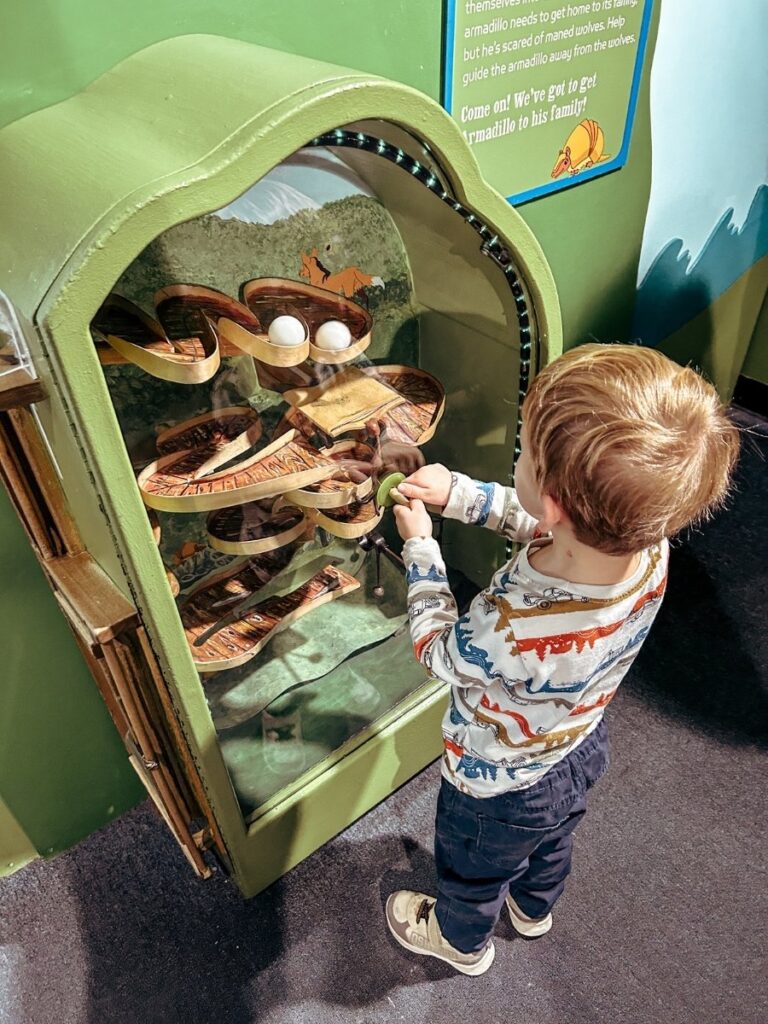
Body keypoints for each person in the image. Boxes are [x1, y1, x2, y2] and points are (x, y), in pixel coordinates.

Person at [384, 343, 739, 976]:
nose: (517, 455)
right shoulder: (647, 547)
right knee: (552, 842)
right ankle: (534, 909)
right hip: (577, 746)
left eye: (522, 450)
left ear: (552, 500)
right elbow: (546, 526)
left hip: (495, 782)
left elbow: (439, 653)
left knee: (472, 867)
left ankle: (460, 941)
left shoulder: (516, 627)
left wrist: (421, 551)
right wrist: (459, 493)